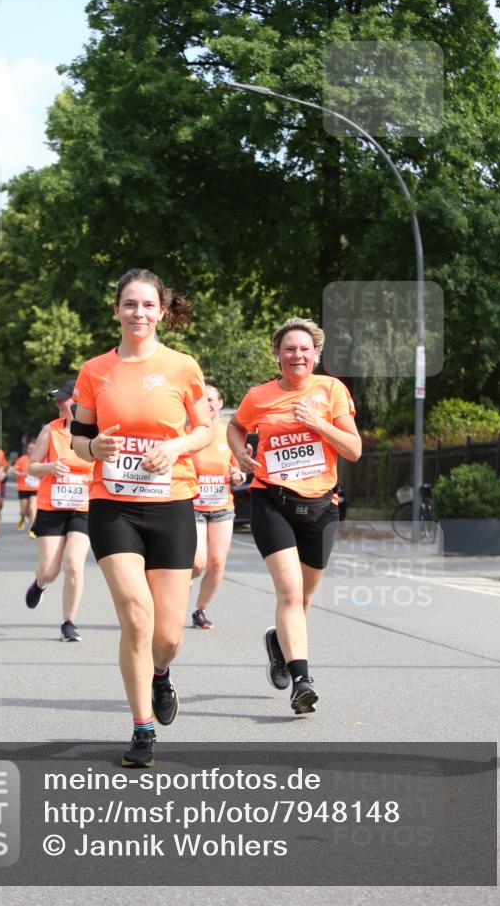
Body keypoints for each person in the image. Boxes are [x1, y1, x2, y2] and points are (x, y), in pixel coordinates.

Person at [72, 268, 212, 768]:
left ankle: (160, 675)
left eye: (147, 305)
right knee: (135, 613)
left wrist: (173, 446)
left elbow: (205, 431)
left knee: (168, 635)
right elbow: (76, 439)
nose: (138, 313)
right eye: (129, 304)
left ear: (161, 311)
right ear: (116, 311)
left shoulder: (181, 367)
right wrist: (95, 445)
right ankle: (141, 728)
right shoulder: (94, 371)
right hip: (113, 505)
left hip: (171, 502)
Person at [227, 317, 361, 716]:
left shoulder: (332, 390)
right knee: (288, 592)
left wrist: (318, 423)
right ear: (277, 354)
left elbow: (353, 449)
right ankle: (302, 681)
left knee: (303, 597)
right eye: (289, 349)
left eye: (305, 349)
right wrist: (239, 452)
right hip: (272, 498)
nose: (297, 355)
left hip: (321, 504)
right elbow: (235, 427)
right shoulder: (260, 396)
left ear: (316, 354)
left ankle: (278, 644)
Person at [24, 384, 93, 641]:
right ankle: (40, 584)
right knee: (49, 571)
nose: (58, 405)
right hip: (51, 507)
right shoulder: (50, 430)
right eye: (56, 402)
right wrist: (50, 467)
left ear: (77, 401)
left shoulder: (95, 432)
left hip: (83, 507)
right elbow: (32, 468)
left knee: (74, 564)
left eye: (62, 400)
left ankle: (69, 622)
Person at [190, 385, 244, 629]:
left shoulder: (227, 434)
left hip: (222, 507)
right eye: (204, 400)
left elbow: (239, 469)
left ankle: (199, 609)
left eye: (212, 399)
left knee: (217, 563)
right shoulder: (190, 433)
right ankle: (180, 581)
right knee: (197, 562)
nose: (208, 404)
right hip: (193, 506)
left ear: (220, 403)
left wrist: (238, 475)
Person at [11, 441, 39, 531]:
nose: (31, 450)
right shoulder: (22, 459)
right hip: (23, 487)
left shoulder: (40, 458)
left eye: (33, 448)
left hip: (35, 487)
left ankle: (32, 529)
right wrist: (21, 474)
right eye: (29, 448)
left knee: (32, 508)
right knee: (23, 511)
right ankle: (22, 519)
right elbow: (13, 470)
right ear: (27, 449)